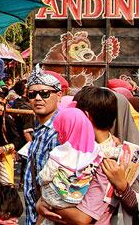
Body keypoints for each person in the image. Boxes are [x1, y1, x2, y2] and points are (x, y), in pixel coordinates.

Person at [36, 86, 120, 224]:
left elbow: (83, 218)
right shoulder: (75, 150)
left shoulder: (106, 161)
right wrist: (40, 205)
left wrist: (46, 204)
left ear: (85, 116)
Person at [38, 107, 101, 224]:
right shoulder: (96, 151)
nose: (58, 136)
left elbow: (45, 177)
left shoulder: (60, 153)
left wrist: (41, 202)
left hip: (55, 201)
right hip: (77, 199)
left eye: (59, 131)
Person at [23, 65, 63, 225]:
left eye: (45, 93)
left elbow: (57, 190)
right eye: (32, 94)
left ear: (59, 95)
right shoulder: (39, 128)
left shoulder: (59, 131)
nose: (38, 98)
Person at [0, 87, 22, 184]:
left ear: (1, 104)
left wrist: (5, 148)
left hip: (5, 157)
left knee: (5, 187)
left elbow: (18, 141)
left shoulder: (7, 120)